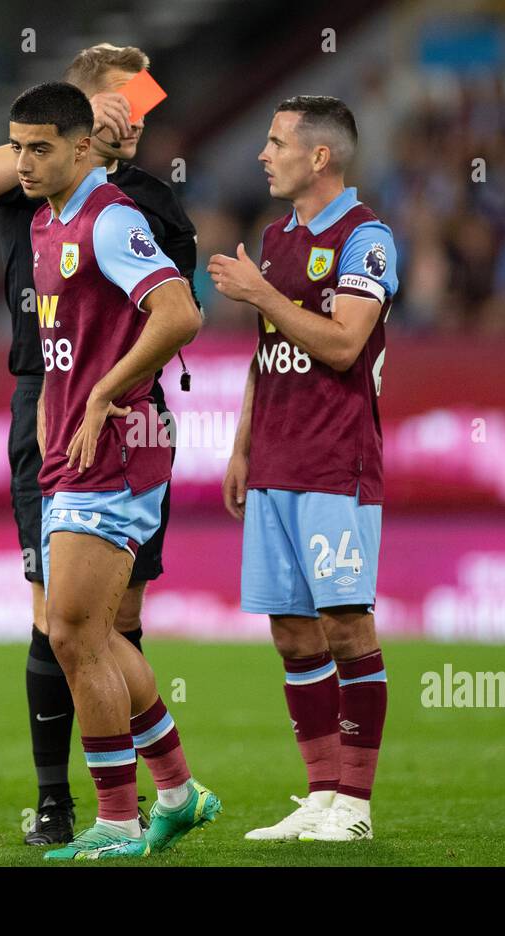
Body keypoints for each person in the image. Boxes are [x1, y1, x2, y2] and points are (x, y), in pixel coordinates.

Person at [0, 43, 199, 845]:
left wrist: (102, 392)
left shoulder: (126, 211)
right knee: (75, 630)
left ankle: (119, 818)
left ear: (80, 147)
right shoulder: (42, 207)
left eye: (141, 109)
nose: (134, 118)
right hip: (56, 422)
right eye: (120, 102)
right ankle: (166, 793)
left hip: (116, 426)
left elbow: (177, 313)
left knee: (80, 630)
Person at [209, 95, 398, 842]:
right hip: (276, 462)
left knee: (345, 626)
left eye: (276, 141)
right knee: (291, 633)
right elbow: (267, 354)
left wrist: (260, 293)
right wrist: (242, 444)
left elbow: (347, 343)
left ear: (320, 157)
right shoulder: (277, 236)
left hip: (334, 462)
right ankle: (319, 796)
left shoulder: (367, 239)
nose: (263, 154)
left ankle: (355, 806)